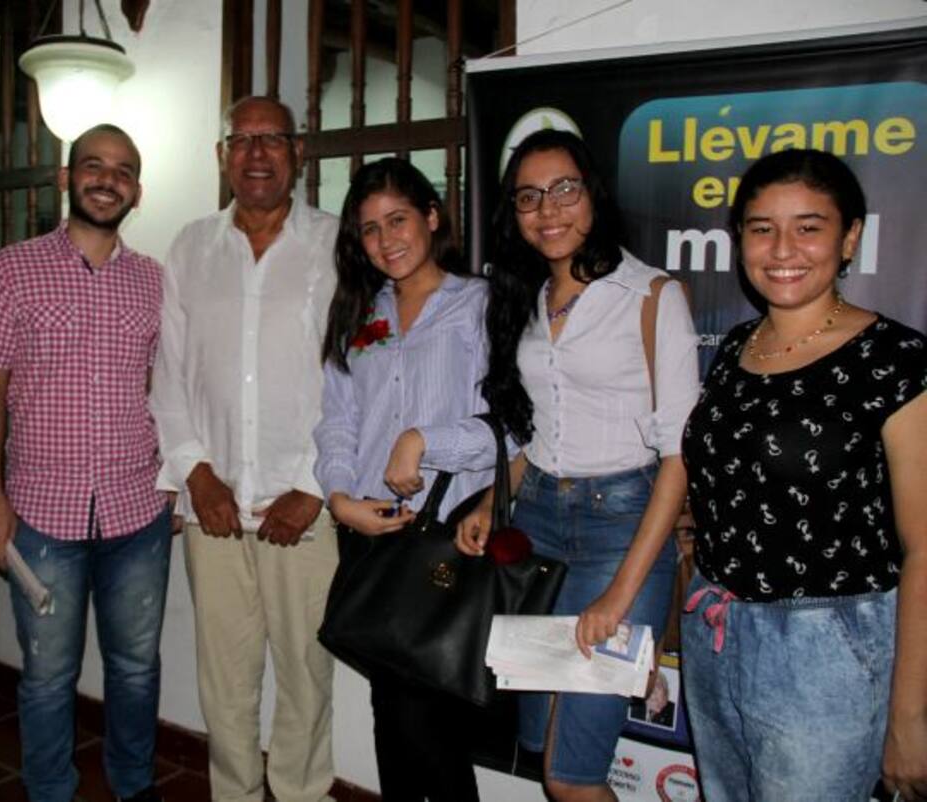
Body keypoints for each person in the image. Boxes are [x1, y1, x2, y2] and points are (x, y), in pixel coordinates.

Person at [388, 129, 699, 801]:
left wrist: (619, 595)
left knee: (571, 775)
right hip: (538, 531)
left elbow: (679, 457)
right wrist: (489, 504)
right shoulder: (525, 302)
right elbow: (542, 433)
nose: (548, 210)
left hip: (624, 530)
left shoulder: (650, 296)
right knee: (540, 745)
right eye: (530, 196)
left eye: (565, 189)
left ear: (593, 193)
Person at [681, 148, 927, 802]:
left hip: (828, 653)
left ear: (849, 238)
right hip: (716, 628)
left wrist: (909, 716)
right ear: (739, 240)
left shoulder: (897, 360)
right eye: (762, 228)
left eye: (809, 226)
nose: (782, 247)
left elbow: (926, 549)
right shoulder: (735, 347)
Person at [0, 123, 170, 802]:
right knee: (48, 676)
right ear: (65, 177)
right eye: (93, 165)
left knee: (136, 668)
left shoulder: (153, 281)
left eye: (122, 169)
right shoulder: (15, 267)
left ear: (136, 190)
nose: (106, 179)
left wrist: (170, 477)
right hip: (40, 514)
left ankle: (134, 785)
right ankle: (50, 792)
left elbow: (168, 385)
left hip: (136, 510)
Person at [150, 95, 338, 802]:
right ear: (222, 155)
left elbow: (361, 376)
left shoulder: (337, 242)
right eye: (242, 140)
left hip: (306, 507)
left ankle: (301, 795)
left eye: (273, 140)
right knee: (223, 678)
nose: (256, 154)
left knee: (305, 673)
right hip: (215, 508)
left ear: (299, 152)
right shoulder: (190, 246)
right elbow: (168, 374)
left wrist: (314, 484)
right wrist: (197, 476)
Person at [313, 158, 489, 801]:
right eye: (368, 230)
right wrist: (339, 498)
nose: (386, 240)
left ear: (433, 218)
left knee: (429, 718)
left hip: (446, 533)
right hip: (366, 531)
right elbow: (337, 421)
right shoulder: (358, 311)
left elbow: (514, 427)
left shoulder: (480, 305)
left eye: (398, 221)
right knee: (391, 710)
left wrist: (422, 440)